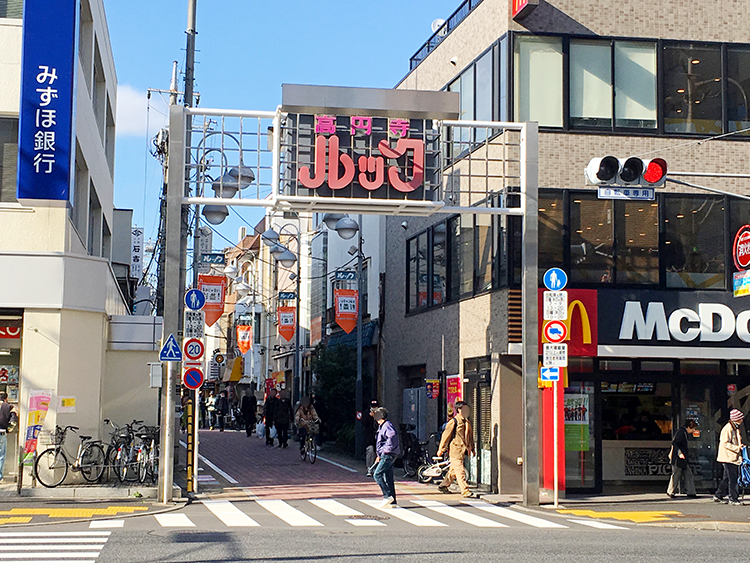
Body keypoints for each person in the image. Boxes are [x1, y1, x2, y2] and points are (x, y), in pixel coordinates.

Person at [437, 400, 476, 498]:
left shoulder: (466, 422)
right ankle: (465, 490)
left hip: (463, 450)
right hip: (455, 450)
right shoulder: (454, 422)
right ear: (459, 410)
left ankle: (443, 485)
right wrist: (441, 448)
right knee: (460, 470)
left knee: (453, 471)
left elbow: (470, 436)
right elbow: (446, 435)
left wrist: (473, 448)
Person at [714, 409, 745, 506]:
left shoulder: (734, 428)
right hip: (729, 458)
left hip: (730, 457)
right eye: (740, 418)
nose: (742, 420)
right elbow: (725, 443)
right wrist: (737, 448)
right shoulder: (728, 429)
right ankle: (733, 498)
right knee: (733, 478)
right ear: (737, 419)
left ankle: (719, 495)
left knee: (727, 478)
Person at [372, 407, 400, 508]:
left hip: (388, 454)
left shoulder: (386, 425)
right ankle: (393, 501)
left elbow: (391, 437)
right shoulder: (384, 425)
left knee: (377, 474)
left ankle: (387, 495)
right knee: (388, 477)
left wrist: (384, 451)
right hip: (387, 454)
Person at [667, 419, 698, 498]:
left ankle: (672, 491)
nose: (693, 430)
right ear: (688, 427)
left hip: (680, 457)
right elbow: (675, 443)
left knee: (680, 474)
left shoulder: (682, 432)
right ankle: (689, 492)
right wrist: (680, 453)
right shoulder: (682, 433)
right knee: (679, 474)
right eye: (693, 428)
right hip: (679, 458)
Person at [0, 392, 16, 481]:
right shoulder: (9, 407)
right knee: (1, 455)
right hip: (2, 432)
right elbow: (13, 421)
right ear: (6, 398)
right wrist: (8, 430)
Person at [364, 400, 379, 476]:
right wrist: (369, 417)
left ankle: (377, 469)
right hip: (369, 436)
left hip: (379, 437)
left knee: (379, 452)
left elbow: (381, 422)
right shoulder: (366, 413)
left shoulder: (379, 413)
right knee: (370, 450)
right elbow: (363, 423)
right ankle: (369, 468)